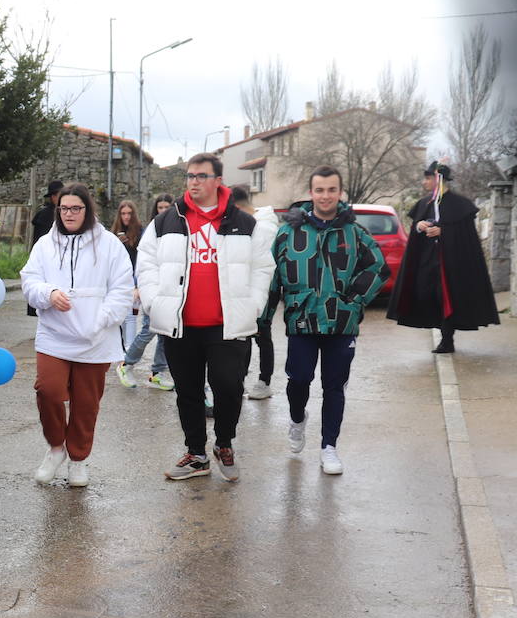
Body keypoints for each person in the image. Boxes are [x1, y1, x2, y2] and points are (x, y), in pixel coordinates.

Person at [136, 153, 275, 482]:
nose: (194, 182)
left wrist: (253, 304)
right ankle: (196, 454)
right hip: (181, 324)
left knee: (228, 387)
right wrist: (156, 303)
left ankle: (224, 443)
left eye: (201, 176)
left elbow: (263, 269)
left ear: (217, 181)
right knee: (187, 392)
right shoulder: (166, 222)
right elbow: (146, 264)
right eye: (190, 176)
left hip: (227, 325)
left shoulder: (245, 223)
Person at [262, 166, 385, 476]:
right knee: (299, 379)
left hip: (341, 324)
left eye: (332, 190)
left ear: (340, 193)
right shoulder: (289, 232)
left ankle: (329, 447)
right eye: (320, 190)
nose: (326, 196)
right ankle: (297, 418)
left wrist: (354, 302)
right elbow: (272, 275)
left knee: (334, 387)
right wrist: (262, 319)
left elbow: (378, 268)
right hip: (302, 320)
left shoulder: (354, 232)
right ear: (311, 193)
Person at [20, 183, 134, 488]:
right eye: (64, 208)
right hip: (55, 335)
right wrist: (49, 293)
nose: (69, 214)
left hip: (96, 338)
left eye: (76, 208)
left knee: (86, 403)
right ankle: (56, 448)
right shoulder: (45, 244)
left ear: (88, 209)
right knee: (49, 391)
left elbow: (122, 290)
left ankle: (79, 460)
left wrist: (100, 320)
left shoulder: (110, 245)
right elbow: (29, 281)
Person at [387, 161, 499, 352]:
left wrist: (444, 232)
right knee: (426, 295)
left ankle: (447, 339)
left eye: (428, 178)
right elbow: (416, 230)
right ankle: (443, 333)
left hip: (452, 263)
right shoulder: (424, 203)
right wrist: (419, 226)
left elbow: (466, 235)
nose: (424, 182)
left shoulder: (460, 205)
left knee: (447, 297)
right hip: (426, 261)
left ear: (438, 179)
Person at [116, 195, 174, 391]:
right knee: (148, 330)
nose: (164, 210)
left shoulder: (176, 227)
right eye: (160, 207)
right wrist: (141, 286)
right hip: (152, 288)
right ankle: (126, 364)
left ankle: (157, 373)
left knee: (166, 333)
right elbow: (144, 261)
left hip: (170, 289)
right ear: (155, 209)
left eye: (167, 206)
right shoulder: (152, 229)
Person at [228, 185, 279, 400]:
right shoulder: (253, 221)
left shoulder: (264, 227)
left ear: (237, 206)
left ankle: (264, 381)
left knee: (262, 335)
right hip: (245, 288)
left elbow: (261, 264)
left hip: (266, 287)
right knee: (245, 334)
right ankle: (240, 380)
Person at [28, 181, 66, 318]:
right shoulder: (45, 216)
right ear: (53, 197)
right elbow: (40, 241)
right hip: (48, 259)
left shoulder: (65, 213)